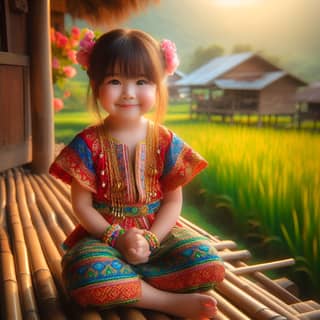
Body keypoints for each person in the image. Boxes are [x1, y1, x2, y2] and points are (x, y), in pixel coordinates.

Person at [49, 28, 225, 320]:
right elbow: (81, 206)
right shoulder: (87, 144)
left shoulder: (167, 141)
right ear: (95, 84)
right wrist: (118, 239)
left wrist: (152, 240)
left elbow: (172, 202)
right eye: (115, 81)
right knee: (88, 273)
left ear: (158, 85)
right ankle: (164, 300)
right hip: (104, 240)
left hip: (157, 238)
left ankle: (130, 284)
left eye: (142, 81)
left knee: (208, 263)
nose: (129, 92)